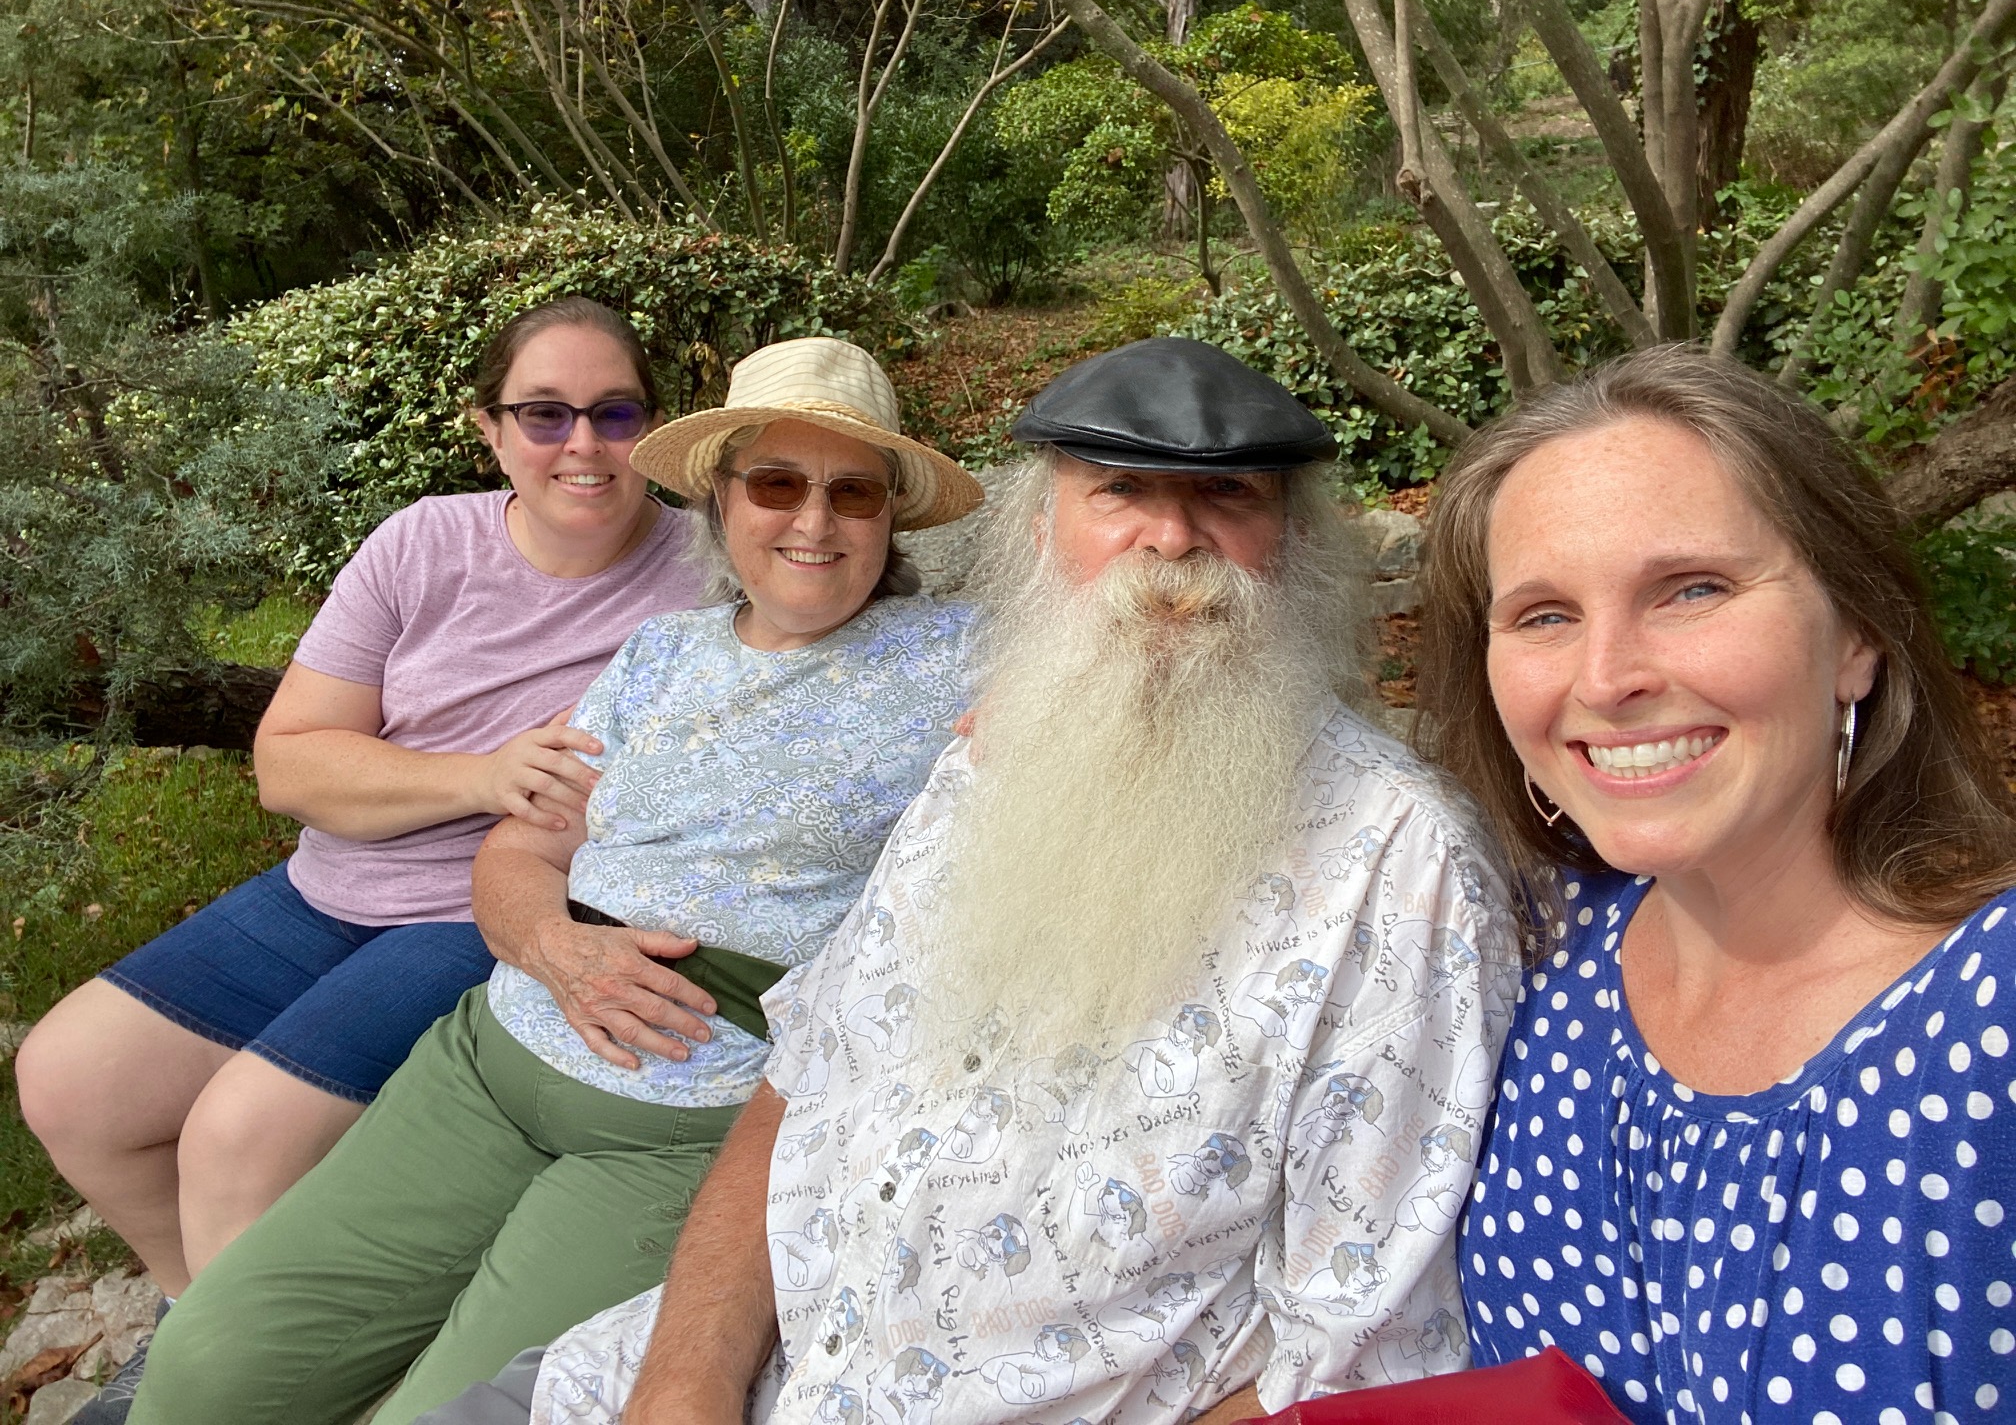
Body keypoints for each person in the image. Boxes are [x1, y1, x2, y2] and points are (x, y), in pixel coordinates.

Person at [421, 336, 1524, 1425]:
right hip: (690, 1373)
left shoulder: (1402, 869)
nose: (1173, 535)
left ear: (1296, 542)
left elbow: (1355, 1344)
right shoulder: (985, 765)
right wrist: (683, 1381)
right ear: (1043, 533)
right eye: (1120, 490)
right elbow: (801, 1084)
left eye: (1229, 495)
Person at [126, 337, 985, 1425]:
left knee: (445, 1413)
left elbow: (1140, 640)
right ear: (721, 501)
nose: (813, 522)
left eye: (853, 493)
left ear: (890, 519)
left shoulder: (962, 655)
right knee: (205, 1368)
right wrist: (552, 946)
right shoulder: (658, 656)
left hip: (686, 1123)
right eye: (776, 483)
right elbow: (521, 849)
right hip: (486, 1068)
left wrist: (1045, 705)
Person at [17, 295, 705, 1421]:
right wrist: (478, 775)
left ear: (654, 429)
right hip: (322, 890)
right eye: (544, 414)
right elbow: (288, 762)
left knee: (237, 1139)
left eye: (614, 413)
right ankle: (211, 1336)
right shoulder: (424, 540)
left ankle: (252, 1382)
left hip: (477, 918)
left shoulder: (700, 577)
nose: (582, 444)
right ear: (488, 430)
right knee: (69, 1080)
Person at [1414, 346, 2016, 1423]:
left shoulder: (1991, 1023)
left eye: (1691, 590)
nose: (1607, 679)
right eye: (1545, 615)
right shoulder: (1531, 950)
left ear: (1859, 635)